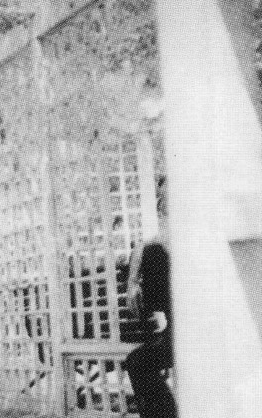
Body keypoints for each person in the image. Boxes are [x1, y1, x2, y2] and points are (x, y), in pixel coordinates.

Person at [124, 178, 177, 418]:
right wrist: (132, 280)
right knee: (137, 362)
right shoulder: (158, 244)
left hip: (203, 330)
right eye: (163, 199)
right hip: (173, 331)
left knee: (138, 362)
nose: (165, 205)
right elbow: (148, 245)